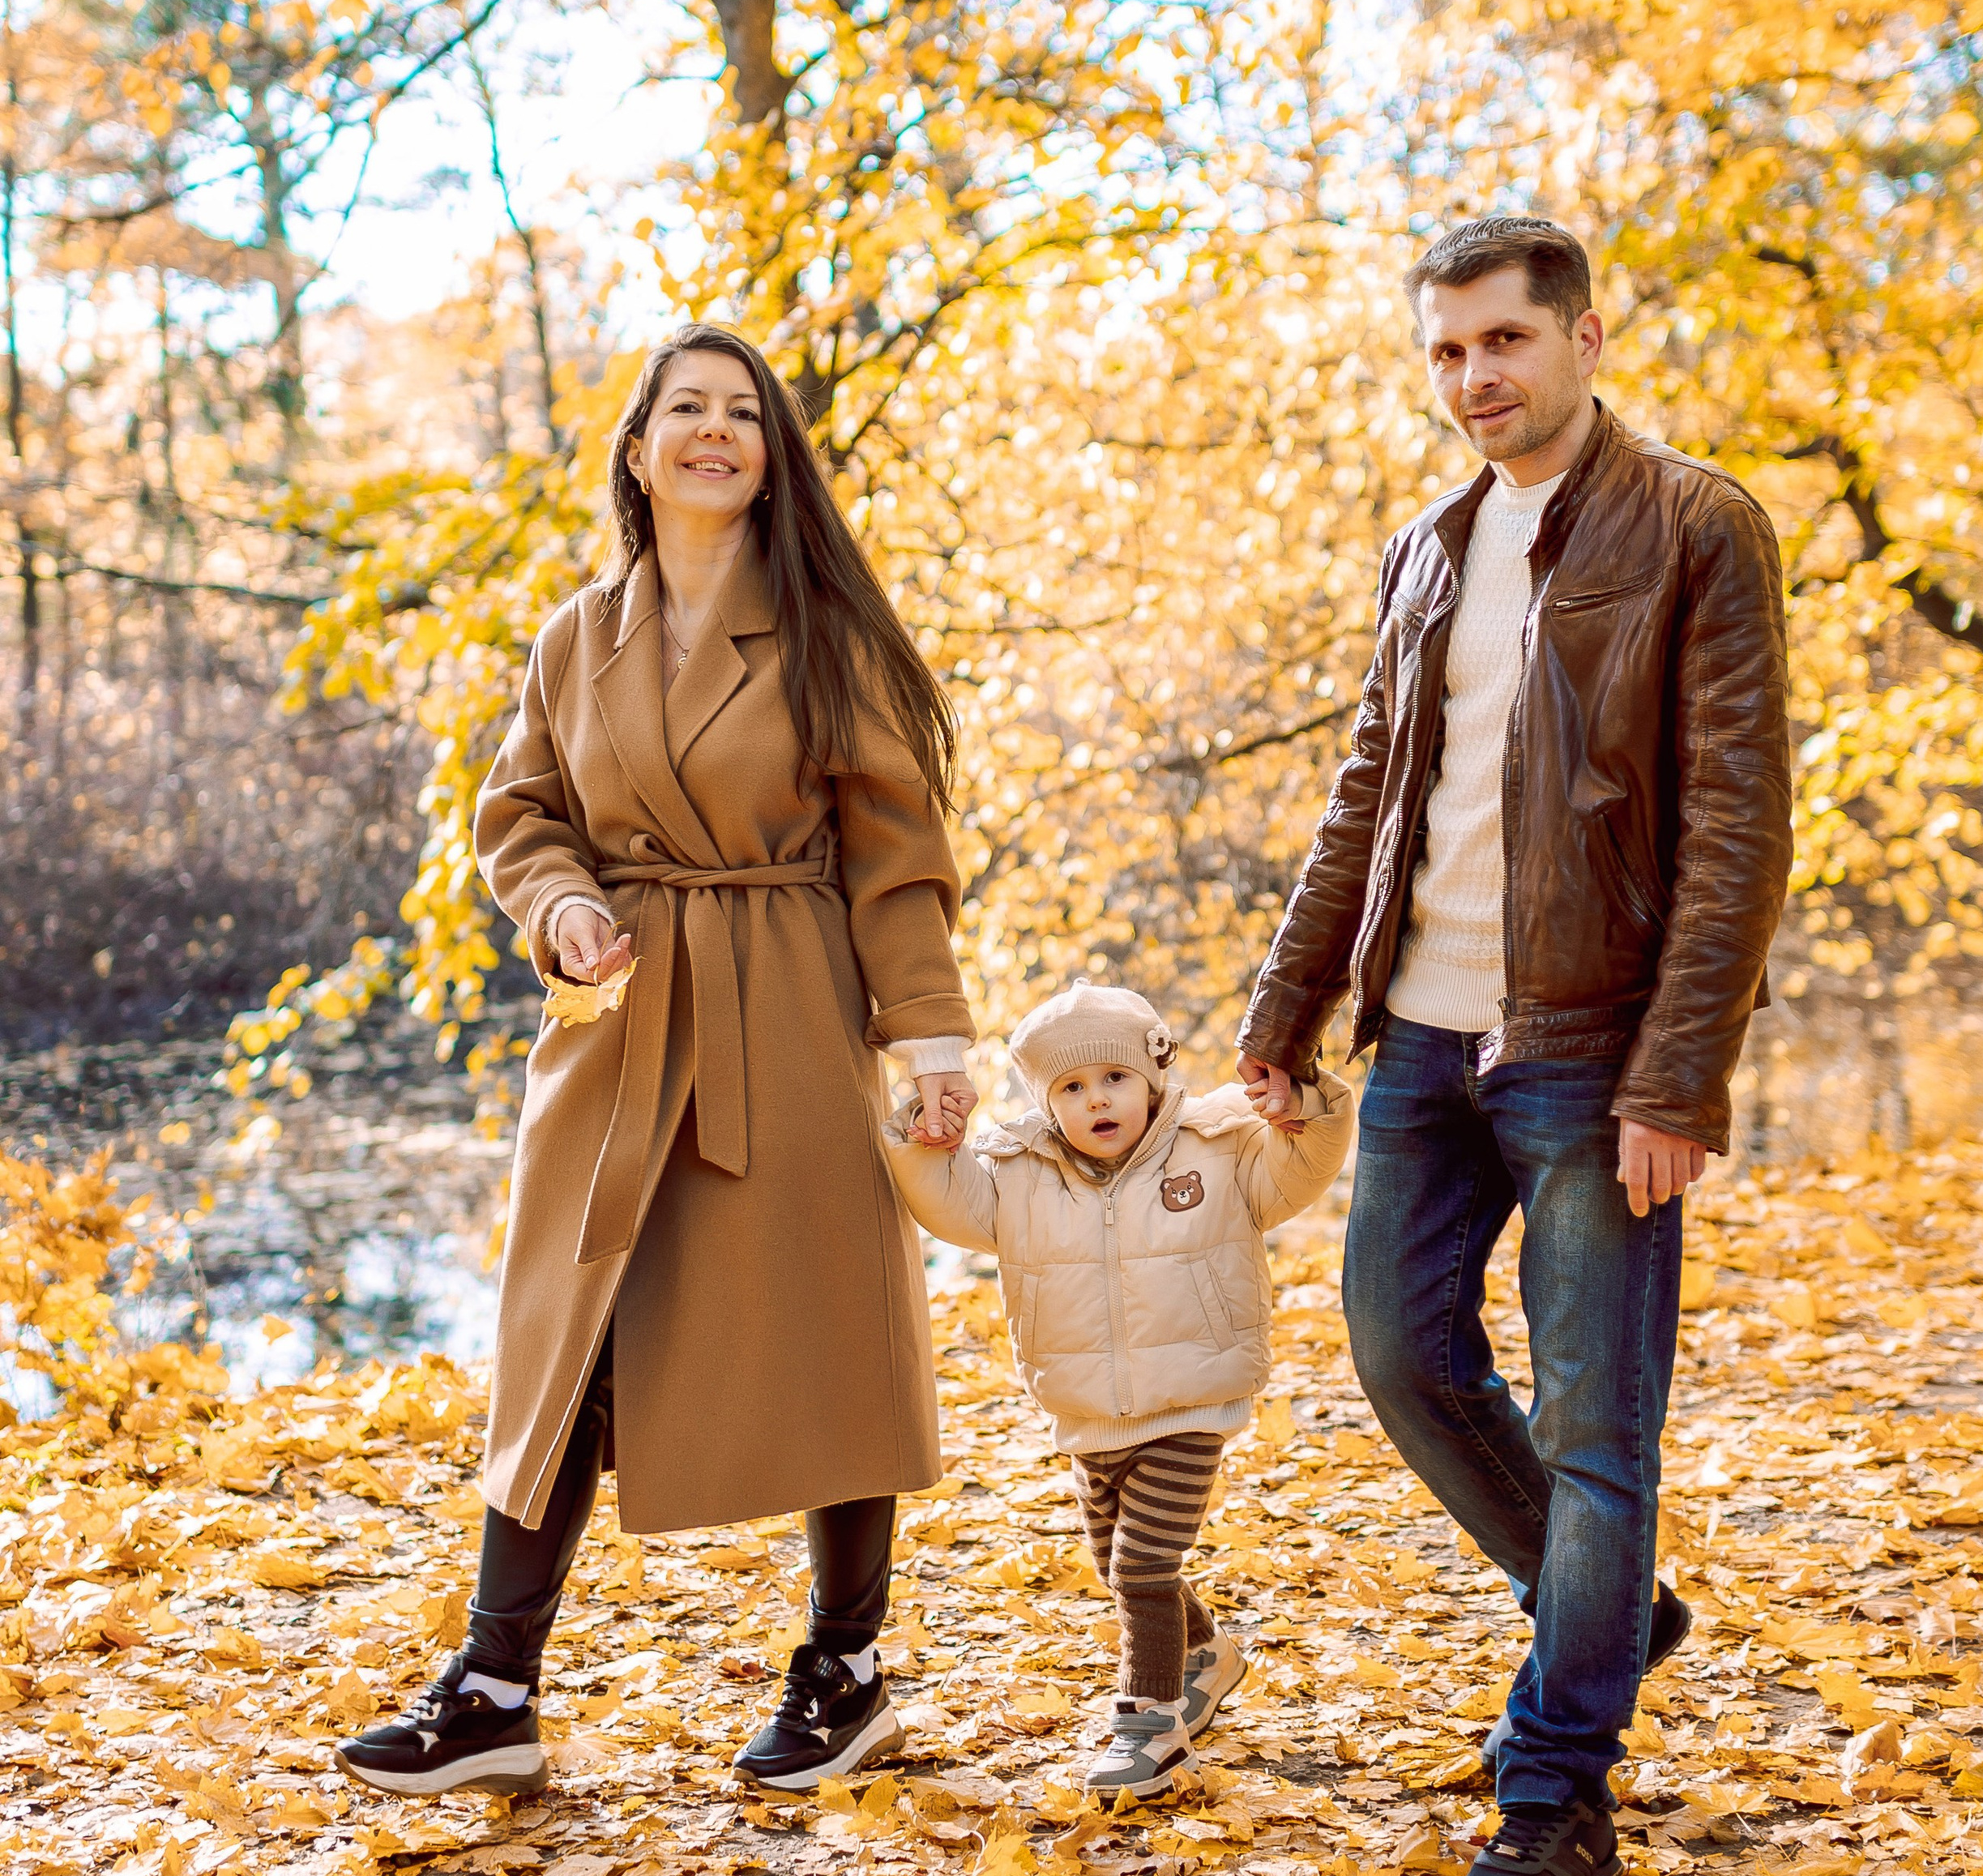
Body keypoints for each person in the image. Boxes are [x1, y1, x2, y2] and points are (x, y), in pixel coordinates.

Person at [1237, 216, 1791, 1876]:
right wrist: (1280, 1008)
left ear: (1583, 338)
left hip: (1586, 1049)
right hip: (1417, 1033)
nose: (1474, 377)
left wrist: (1674, 1076)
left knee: (1594, 1421)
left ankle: (1553, 1787)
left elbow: (1736, 825)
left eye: (1503, 342)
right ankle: (1603, 1605)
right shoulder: (1421, 549)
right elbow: (1364, 794)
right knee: (1399, 1355)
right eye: (1445, 351)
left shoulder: (1695, 524)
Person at [337, 323, 977, 1801]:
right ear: (636, 450)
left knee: (824, 1325)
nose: (711, 430)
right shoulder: (575, 635)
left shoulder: (827, 632)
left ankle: (847, 1666)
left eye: (740, 412)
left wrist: (929, 1036)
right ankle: (495, 1684)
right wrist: (558, 898)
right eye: (682, 407)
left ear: (769, 456)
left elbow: (897, 859)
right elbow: (520, 809)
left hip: (791, 1005)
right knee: (571, 1333)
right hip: (621, 1025)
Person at [886, 980, 1353, 1799]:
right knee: (1115, 1562)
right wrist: (923, 1143)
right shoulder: (1016, 1169)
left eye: (1113, 1078)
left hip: (1190, 1401)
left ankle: (1150, 1726)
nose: (1095, 1098)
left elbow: (1299, 1168)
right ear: (1045, 1100)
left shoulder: (1218, 1145)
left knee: (1143, 1561)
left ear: (1154, 1078)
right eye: (1070, 1087)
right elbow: (949, 1203)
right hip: (1087, 1410)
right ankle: (1204, 1653)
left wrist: (1306, 1111)